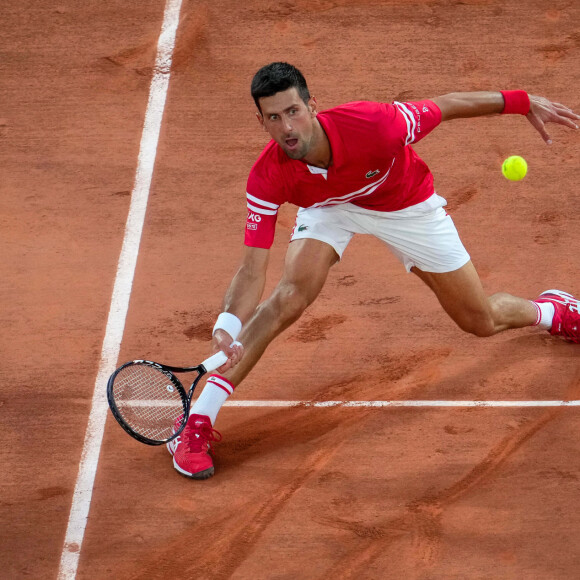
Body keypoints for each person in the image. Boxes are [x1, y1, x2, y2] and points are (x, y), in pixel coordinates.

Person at [167, 62, 580, 479]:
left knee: (480, 320)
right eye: (273, 117)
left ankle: (551, 311)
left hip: (404, 204)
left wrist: (523, 102)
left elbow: (448, 105)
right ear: (261, 122)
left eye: (293, 111)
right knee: (287, 297)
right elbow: (252, 268)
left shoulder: (375, 124)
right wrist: (226, 324)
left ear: (312, 105)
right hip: (330, 207)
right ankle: (197, 421)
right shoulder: (268, 175)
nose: (286, 126)